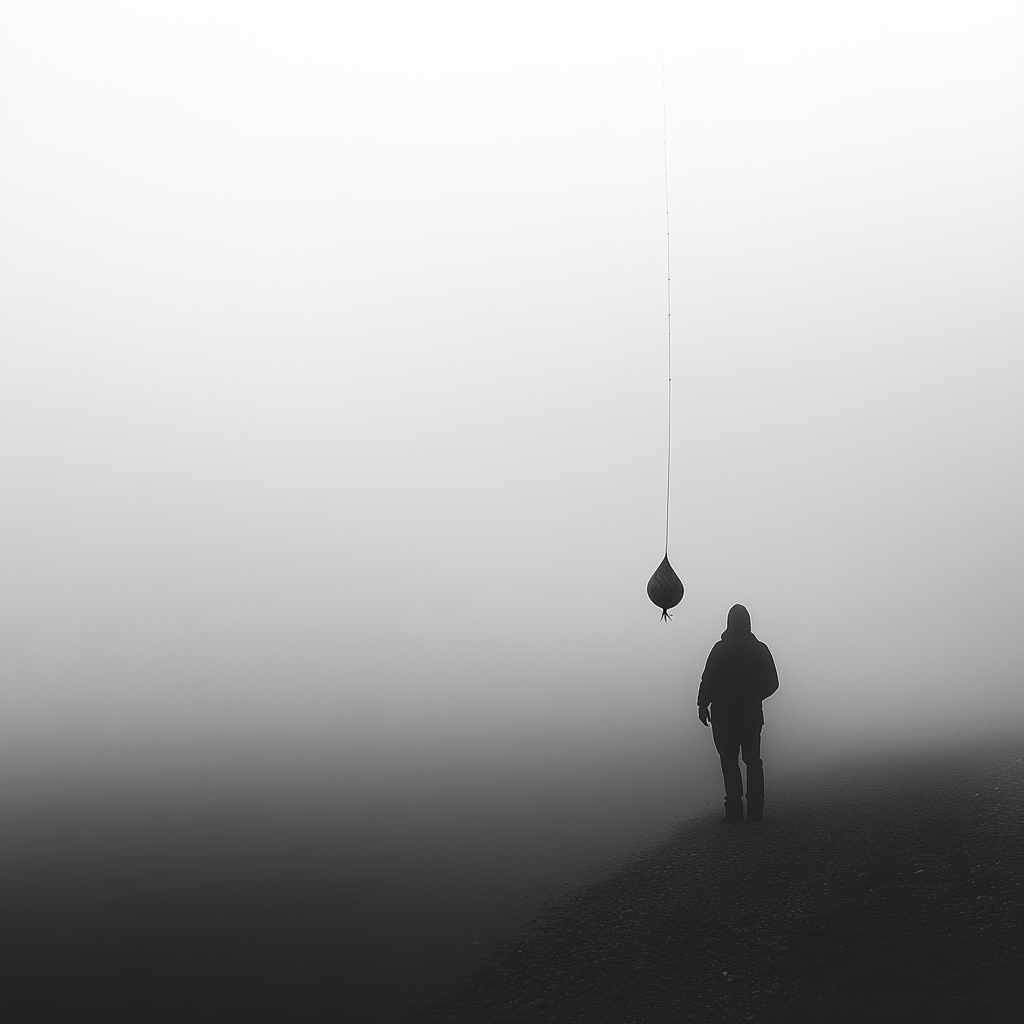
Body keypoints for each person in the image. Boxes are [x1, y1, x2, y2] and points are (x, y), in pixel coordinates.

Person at [697, 604, 779, 823]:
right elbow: (773, 683)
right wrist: (754, 696)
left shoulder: (719, 649)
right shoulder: (760, 649)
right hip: (751, 714)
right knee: (753, 760)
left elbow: (709, 679)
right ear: (749, 623)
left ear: (729, 623)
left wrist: (702, 705)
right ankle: (755, 811)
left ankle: (733, 811)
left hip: (723, 716)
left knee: (729, 761)